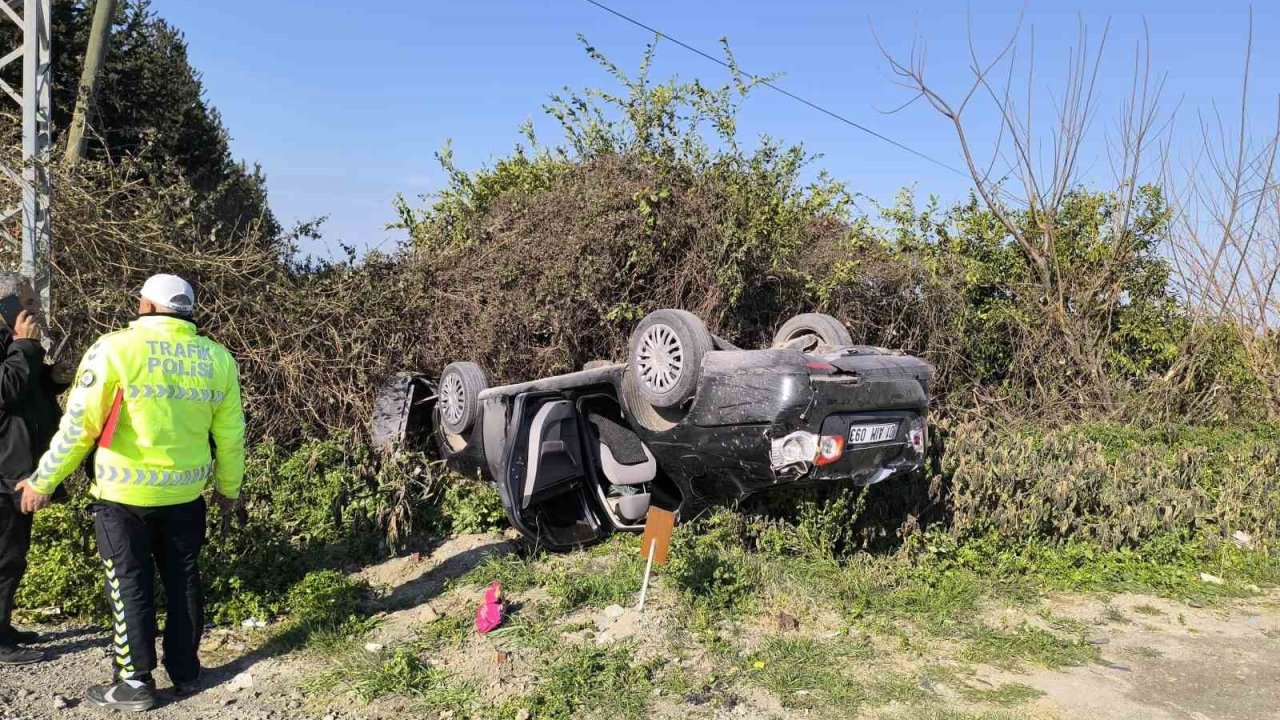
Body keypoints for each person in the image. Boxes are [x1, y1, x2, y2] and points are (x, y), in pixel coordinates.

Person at [19, 273, 245, 712]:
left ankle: (135, 683)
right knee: (183, 580)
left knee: (130, 586)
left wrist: (44, 480)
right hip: (185, 494)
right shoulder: (217, 358)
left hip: (124, 494)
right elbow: (232, 435)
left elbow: (79, 428)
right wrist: (228, 488)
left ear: (145, 307)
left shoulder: (115, 349)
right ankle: (186, 671)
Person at [0, 273, 74, 665]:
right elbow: (6, 391)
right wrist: (25, 345)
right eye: (28, 303)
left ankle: (4, 625)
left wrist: (52, 378)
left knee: (13, 554)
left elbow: (27, 389)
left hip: (19, 468)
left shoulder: (15, 345)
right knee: (3, 556)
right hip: (3, 471)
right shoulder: (16, 344)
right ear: (6, 307)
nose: (35, 310)